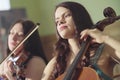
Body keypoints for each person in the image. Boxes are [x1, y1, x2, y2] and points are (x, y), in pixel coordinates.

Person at [41, 1, 120, 80]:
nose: (60, 22)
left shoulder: (104, 49)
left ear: (80, 17)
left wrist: (105, 38)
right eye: (57, 21)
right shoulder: (56, 62)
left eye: (67, 15)